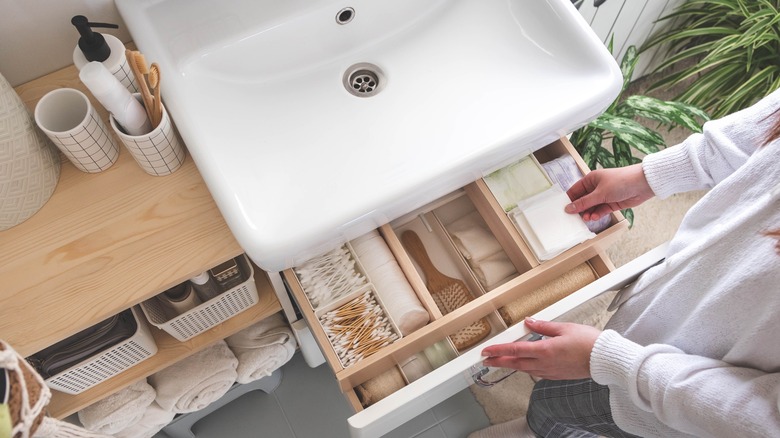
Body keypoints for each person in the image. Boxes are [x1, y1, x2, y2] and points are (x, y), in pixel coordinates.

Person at [470, 87, 780, 438]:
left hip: (682, 389)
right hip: (672, 317)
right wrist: (650, 176)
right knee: (565, 396)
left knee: (552, 404)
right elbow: (764, 127)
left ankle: (537, 429)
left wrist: (614, 362)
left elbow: (763, 418)